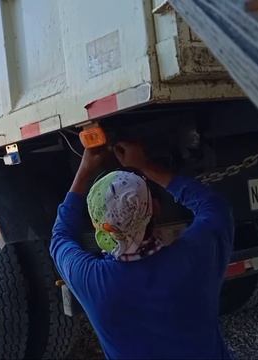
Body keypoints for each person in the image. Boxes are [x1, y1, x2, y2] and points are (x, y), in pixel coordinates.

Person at [50, 141, 234, 359]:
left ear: (99, 227)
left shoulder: (92, 279)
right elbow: (213, 206)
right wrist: (145, 165)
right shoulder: (196, 255)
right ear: (155, 208)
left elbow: (60, 237)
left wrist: (84, 170)